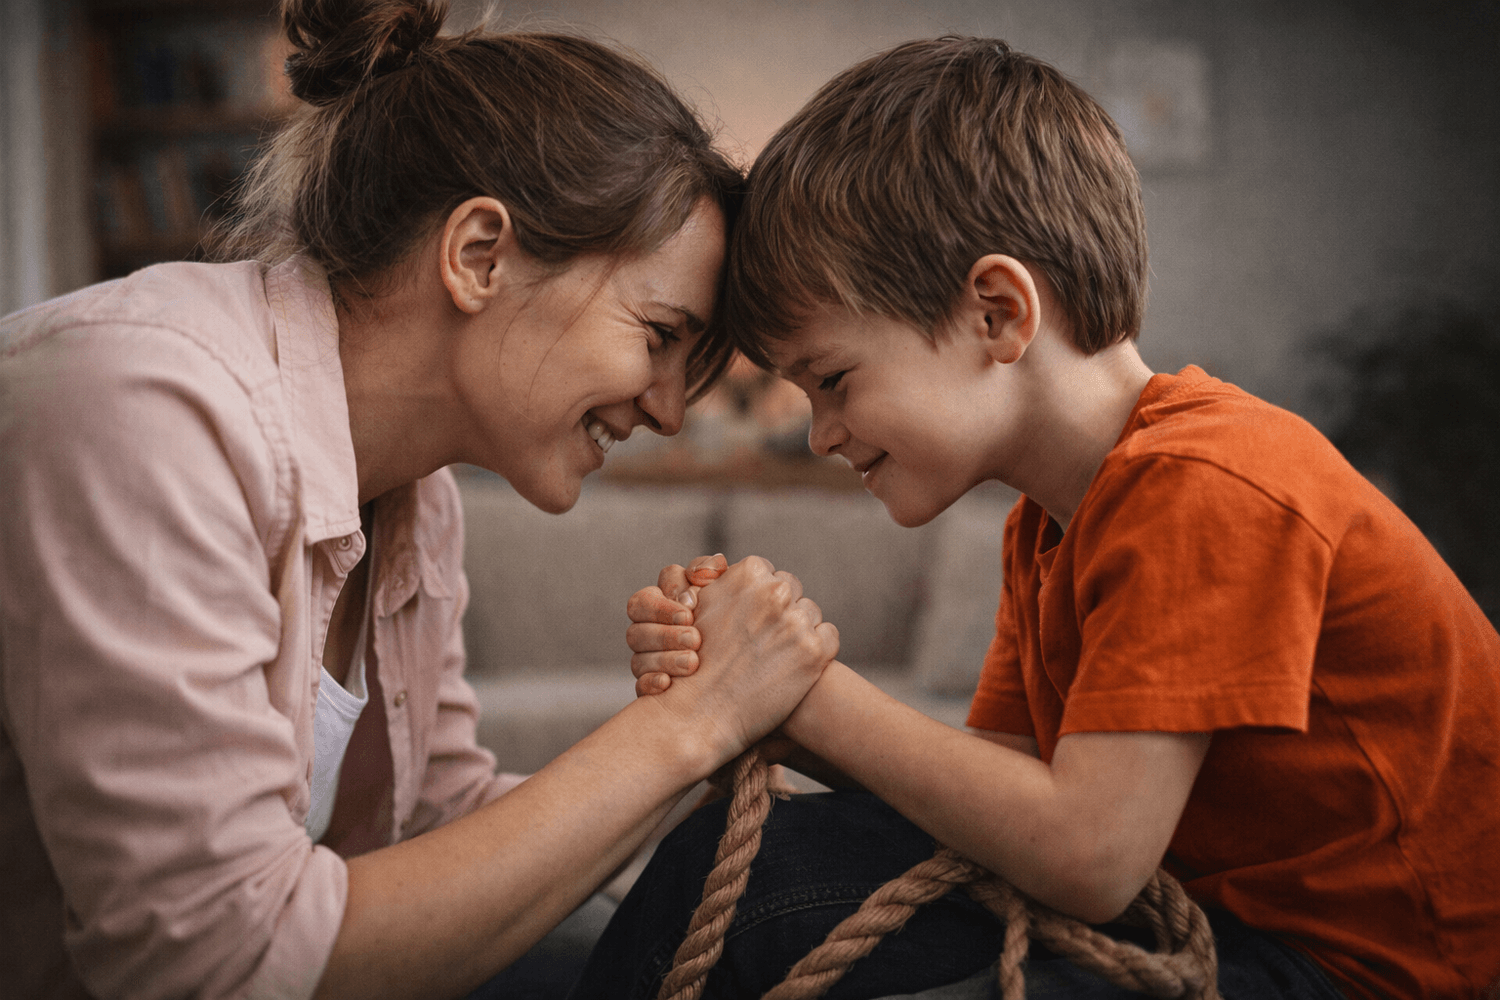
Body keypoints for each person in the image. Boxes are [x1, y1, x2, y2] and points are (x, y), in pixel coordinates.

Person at [598, 36, 1500, 1000]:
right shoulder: (1052, 521)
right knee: (742, 873)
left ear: (996, 313)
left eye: (832, 380)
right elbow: (1007, 787)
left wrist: (809, 690)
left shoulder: (1207, 485)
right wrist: (756, 704)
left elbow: (1088, 854)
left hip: (1375, 970)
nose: (820, 434)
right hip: (1222, 925)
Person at [0, 2, 840, 998]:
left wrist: (710, 758)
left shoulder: (412, 495)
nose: (665, 409)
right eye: (658, 335)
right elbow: (208, 958)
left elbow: (436, 823)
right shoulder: (145, 406)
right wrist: (682, 729)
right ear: (480, 253)